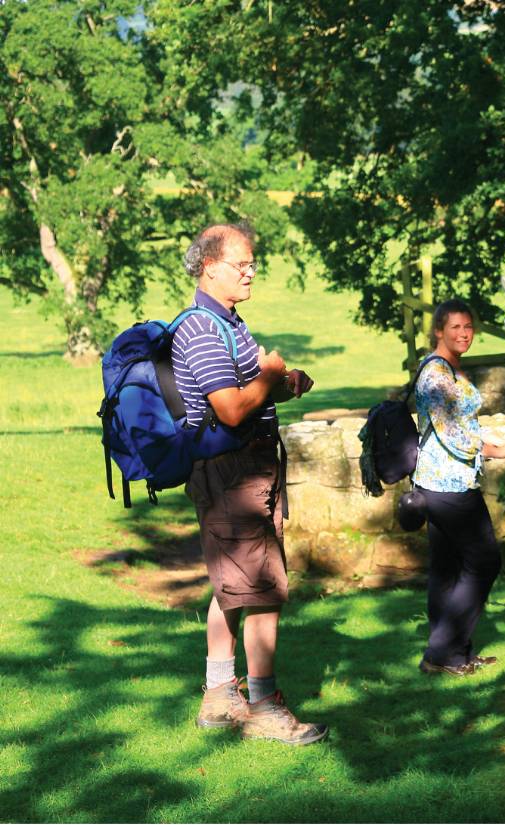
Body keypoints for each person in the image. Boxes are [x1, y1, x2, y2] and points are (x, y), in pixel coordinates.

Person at [173, 223, 327, 745]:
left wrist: (282, 385)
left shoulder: (228, 322)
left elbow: (248, 396)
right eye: (241, 263)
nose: (251, 270)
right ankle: (262, 705)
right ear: (209, 266)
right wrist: (268, 376)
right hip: (232, 475)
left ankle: (219, 698)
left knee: (234, 584)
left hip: (244, 471)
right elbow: (231, 407)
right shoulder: (198, 328)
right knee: (262, 591)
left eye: (252, 262)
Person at [413, 299, 505, 676]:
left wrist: (487, 437)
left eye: (469, 327)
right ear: (438, 331)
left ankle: (453, 655)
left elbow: (460, 422)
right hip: (448, 485)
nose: (464, 334)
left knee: (447, 568)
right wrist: (492, 449)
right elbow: (449, 432)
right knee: (483, 561)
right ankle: (441, 651)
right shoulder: (435, 374)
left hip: (447, 481)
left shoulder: (449, 368)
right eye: (456, 327)